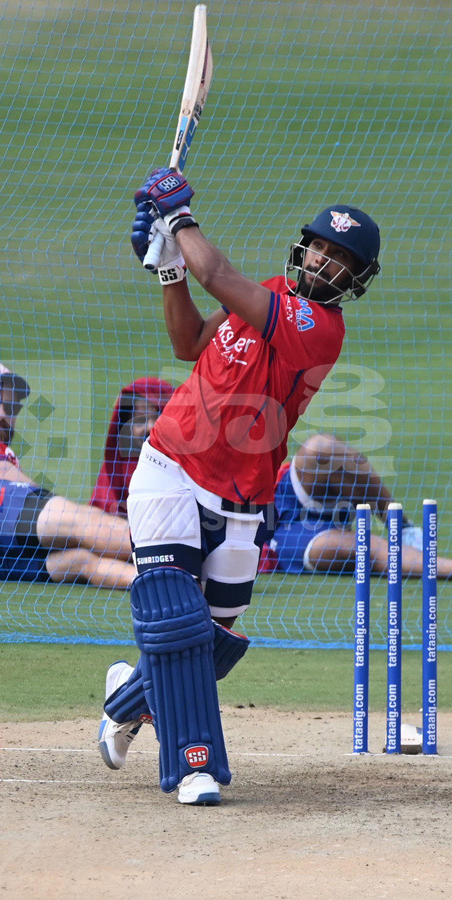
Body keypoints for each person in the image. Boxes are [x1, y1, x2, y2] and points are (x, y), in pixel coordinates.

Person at [98, 167, 382, 805]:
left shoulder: (319, 329)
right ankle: (194, 767)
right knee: (175, 621)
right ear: (302, 246)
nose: (325, 262)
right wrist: (169, 268)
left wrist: (179, 220)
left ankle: (124, 700)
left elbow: (219, 275)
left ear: (356, 280)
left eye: (342, 260)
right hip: (171, 467)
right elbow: (186, 342)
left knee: (216, 643)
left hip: (244, 498)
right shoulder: (272, 292)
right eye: (320, 248)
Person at [0, 363, 135, 589]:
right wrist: (52, 506)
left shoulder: (2, 453)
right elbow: (3, 475)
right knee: (79, 520)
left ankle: (164, 580)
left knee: (79, 562)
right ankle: (172, 551)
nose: (1, 414)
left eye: (11, 407)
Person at [260, 432, 452, 577]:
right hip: (280, 538)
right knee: (365, 550)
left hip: (275, 495)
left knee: (322, 449)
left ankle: (405, 530)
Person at [90, 377, 174, 517]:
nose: (150, 427)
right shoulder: (115, 470)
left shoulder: (184, 469)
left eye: (159, 417)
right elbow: (98, 519)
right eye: (140, 419)